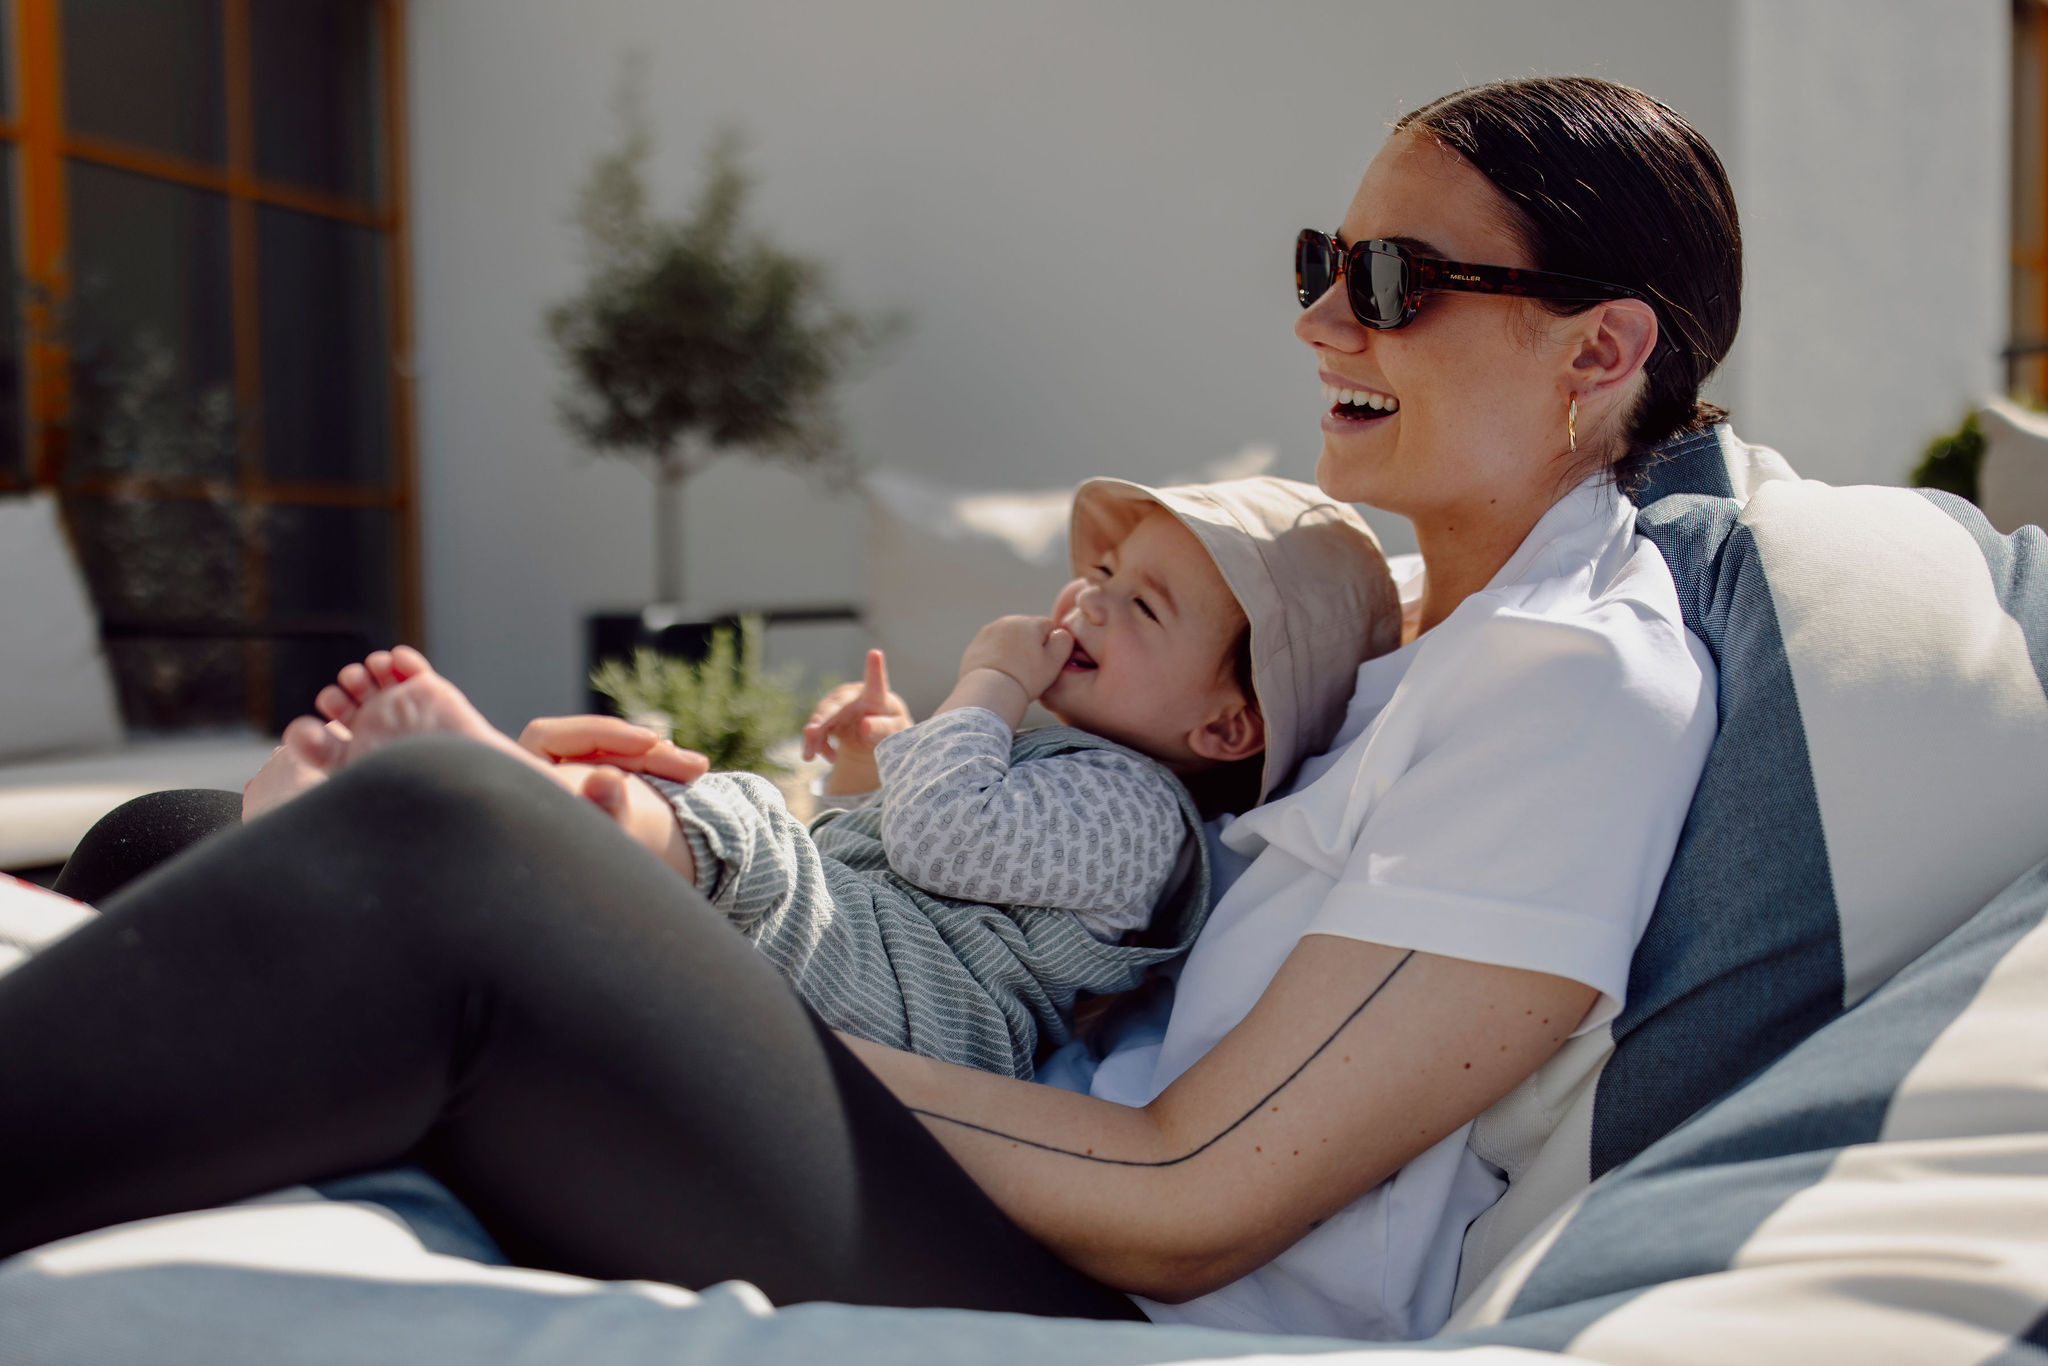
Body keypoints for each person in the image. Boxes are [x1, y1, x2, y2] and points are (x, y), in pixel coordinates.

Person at [0, 75, 1728, 1340]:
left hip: (1108, 1291)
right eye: (1318, 259)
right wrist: (762, 859)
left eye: (1388, 283)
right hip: (1022, 1148)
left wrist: (667, 970)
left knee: (454, 851)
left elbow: (1191, 1197)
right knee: (183, 839)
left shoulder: (1573, 677)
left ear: (1596, 353)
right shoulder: (1425, 635)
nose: (1311, 321)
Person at [253, 476, 1398, 1080]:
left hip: (926, 1018)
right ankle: (459, 834)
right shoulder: (1081, 774)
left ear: (1227, 721)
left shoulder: (1143, 817)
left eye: (1140, 605)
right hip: (883, 954)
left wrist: (986, 682)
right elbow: (921, 839)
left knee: (748, 836)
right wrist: (868, 764)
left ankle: (491, 801)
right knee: (757, 845)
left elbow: (943, 839)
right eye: (1099, 569)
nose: (1084, 599)